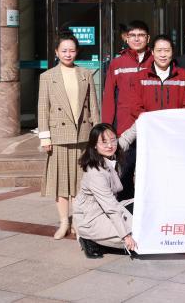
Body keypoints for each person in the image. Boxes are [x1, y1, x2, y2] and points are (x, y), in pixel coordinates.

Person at [38, 31, 100, 240]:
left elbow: (93, 107)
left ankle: (78, 222)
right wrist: (45, 138)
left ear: (77, 52)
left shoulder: (85, 74)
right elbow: (42, 109)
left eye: (71, 50)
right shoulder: (47, 77)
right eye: (64, 50)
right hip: (59, 136)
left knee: (80, 183)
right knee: (61, 183)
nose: (68, 54)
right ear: (56, 52)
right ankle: (64, 221)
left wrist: (97, 135)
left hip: (83, 135)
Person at [116, 35, 185, 200]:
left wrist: (173, 125)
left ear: (172, 53)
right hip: (148, 136)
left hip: (173, 136)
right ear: (153, 52)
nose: (163, 54)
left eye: (167, 50)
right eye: (159, 50)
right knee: (147, 176)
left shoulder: (183, 76)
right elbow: (135, 105)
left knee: (172, 175)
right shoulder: (140, 77)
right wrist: (152, 124)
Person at [73, 123, 136, 259]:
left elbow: (126, 138)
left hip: (107, 208)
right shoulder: (95, 172)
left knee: (144, 214)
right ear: (94, 145)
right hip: (92, 218)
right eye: (104, 142)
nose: (110, 145)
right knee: (136, 234)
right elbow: (110, 207)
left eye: (113, 140)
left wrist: (142, 121)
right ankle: (88, 239)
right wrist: (126, 236)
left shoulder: (112, 152)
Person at [101, 20, 152, 134]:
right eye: (132, 35)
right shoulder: (117, 63)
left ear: (148, 38)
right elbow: (109, 97)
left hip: (151, 125)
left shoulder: (156, 61)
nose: (137, 39)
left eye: (141, 35)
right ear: (126, 38)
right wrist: (107, 126)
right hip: (124, 126)